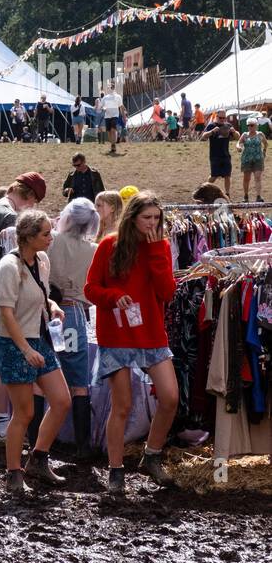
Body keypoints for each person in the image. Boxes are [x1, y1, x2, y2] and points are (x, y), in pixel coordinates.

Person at [84, 191, 179, 495]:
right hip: (118, 334)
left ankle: (151, 455)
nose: (152, 223)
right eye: (146, 218)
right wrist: (113, 298)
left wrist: (154, 254)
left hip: (151, 334)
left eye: (156, 218)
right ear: (132, 217)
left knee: (170, 397)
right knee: (122, 405)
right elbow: (90, 289)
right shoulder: (108, 246)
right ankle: (115, 469)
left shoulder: (160, 247)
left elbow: (167, 292)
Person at [0, 209, 71, 495]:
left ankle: (39, 458)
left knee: (62, 400)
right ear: (27, 237)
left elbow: (42, 294)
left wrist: (52, 306)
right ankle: (13, 472)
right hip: (13, 344)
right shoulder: (8, 268)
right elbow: (6, 315)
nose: (51, 238)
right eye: (46, 233)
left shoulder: (42, 260)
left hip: (37, 339)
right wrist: (25, 350)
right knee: (24, 412)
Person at [0, 172, 47, 438]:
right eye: (34, 202)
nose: (33, 208)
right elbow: (14, 264)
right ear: (28, 195)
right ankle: (3, 427)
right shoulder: (8, 217)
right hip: (0, 297)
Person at [49, 197, 99, 462]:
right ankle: (83, 446)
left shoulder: (51, 239)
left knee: (42, 374)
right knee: (79, 380)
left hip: (48, 310)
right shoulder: (94, 249)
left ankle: (38, 441)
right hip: (76, 313)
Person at [201, 114, 236, 198]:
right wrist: (212, 131)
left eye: (224, 118)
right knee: (214, 176)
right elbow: (203, 137)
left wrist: (234, 132)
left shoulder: (228, 126)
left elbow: (237, 137)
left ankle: (227, 194)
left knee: (227, 175)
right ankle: (203, 190)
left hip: (226, 155)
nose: (222, 119)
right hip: (215, 155)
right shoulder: (211, 125)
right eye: (220, 118)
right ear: (217, 117)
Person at [238, 117, 267, 202]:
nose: (250, 127)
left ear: (256, 126)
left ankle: (258, 196)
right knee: (246, 178)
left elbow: (265, 143)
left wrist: (264, 151)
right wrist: (238, 147)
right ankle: (246, 196)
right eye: (248, 125)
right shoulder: (244, 135)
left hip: (258, 159)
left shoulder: (260, 134)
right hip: (246, 159)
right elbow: (238, 143)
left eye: (252, 125)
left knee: (258, 177)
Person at [98, 86, 124, 154]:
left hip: (115, 115)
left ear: (113, 89)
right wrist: (104, 108)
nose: (109, 89)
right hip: (107, 116)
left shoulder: (118, 96)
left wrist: (123, 116)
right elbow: (101, 106)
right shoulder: (105, 98)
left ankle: (113, 145)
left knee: (113, 129)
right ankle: (112, 144)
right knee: (109, 131)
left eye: (111, 88)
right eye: (108, 88)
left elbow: (121, 106)